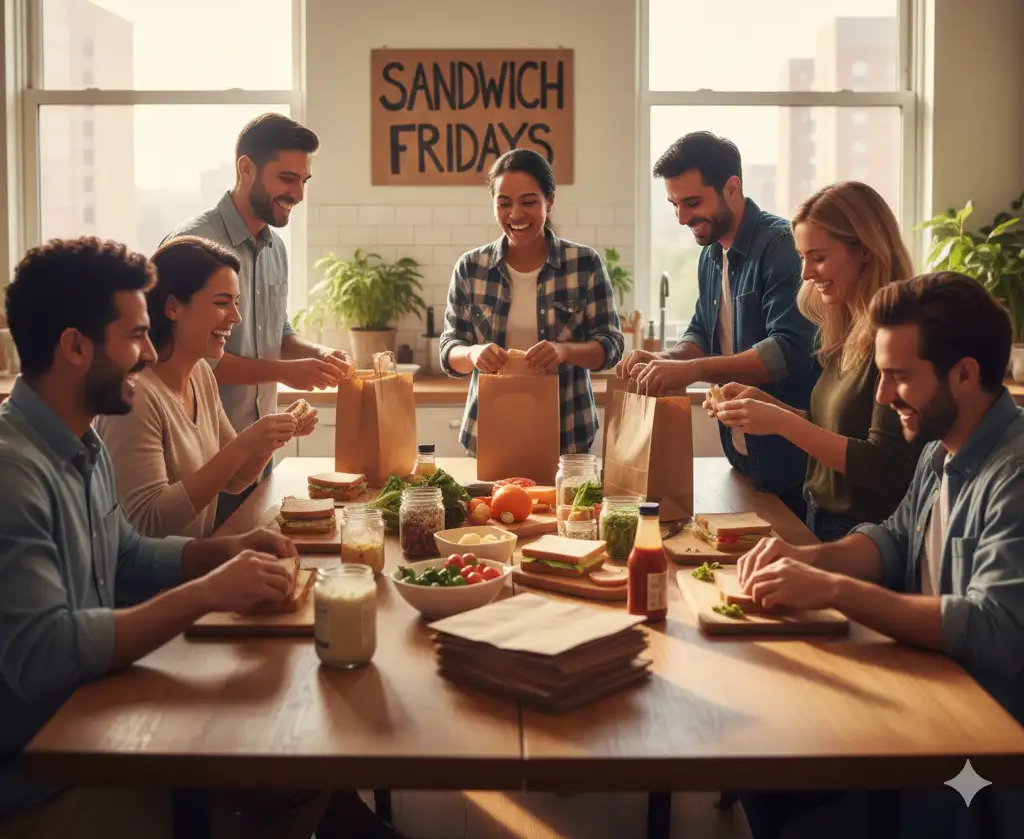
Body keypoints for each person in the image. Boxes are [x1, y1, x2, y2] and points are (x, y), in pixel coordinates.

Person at [0, 239, 409, 839]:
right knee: (285, 759)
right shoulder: (14, 475)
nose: (146, 354)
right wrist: (207, 591)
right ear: (75, 347)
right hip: (47, 772)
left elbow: (127, 553)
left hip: (95, 709)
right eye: (135, 336)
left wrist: (221, 551)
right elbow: (45, 655)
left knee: (302, 751)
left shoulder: (80, 444)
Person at [738, 272, 1024, 839]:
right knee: (762, 767)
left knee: (785, 795)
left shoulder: (1014, 475)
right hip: (925, 703)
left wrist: (834, 591)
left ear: (965, 374)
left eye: (898, 377)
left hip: (980, 763)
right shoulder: (940, 451)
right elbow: (894, 542)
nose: (883, 396)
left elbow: (997, 629)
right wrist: (805, 559)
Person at [619, 131, 819, 514]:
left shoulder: (781, 248)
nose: (681, 218)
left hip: (794, 465)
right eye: (674, 204)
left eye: (692, 202)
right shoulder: (710, 254)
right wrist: (667, 358)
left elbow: (787, 351)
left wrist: (691, 370)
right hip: (745, 458)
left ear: (732, 187)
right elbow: (701, 331)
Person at [165, 113, 349, 524]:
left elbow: (277, 333)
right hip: (202, 455)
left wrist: (317, 355)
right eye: (287, 178)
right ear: (246, 169)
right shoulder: (196, 246)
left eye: (304, 180)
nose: (298, 193)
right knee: (201, 570)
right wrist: (287, 371)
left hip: (259, 451)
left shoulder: (275, 248)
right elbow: (191, 359)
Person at [711, 182, 922, 540]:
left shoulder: (896, 337)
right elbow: (840, 430)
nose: (806, 273)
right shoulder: (845, 328)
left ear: (866, 251)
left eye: (819, 257)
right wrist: (768, 408)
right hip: (821, 519)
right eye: (803, 257)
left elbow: (884, 464)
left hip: (865, 537)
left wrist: (781, 422)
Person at [96, 237, 318, 539]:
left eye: (236, 303)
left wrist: (272, 437)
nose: (236, 317)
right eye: (221, 303)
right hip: (154, 583)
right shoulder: (135, 396)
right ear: (173, 307)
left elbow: (237, 480)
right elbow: (150, 520)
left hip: (192, 569)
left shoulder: (200, 373)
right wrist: (244, 444)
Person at [440, 148, 624, 456]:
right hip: (489, 431)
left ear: (549, 202)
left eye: (528, 202)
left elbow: (611, 346)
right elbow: (449, 349)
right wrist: (473, 353)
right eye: (504, 203)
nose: (515, 215)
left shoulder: (584, 263)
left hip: (567, 433)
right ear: (493, 204)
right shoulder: (471, 267)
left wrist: (564, 351)